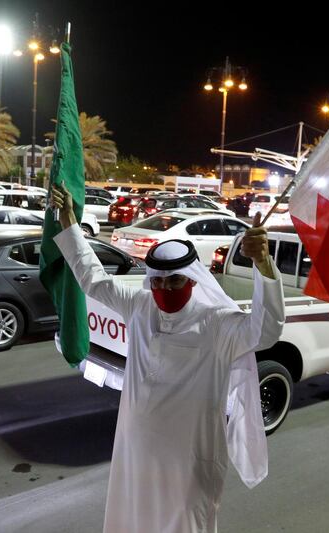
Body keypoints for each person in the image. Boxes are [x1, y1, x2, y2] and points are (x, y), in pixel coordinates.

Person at [51, 184, 285, 533]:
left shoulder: (217, 323)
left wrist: (263, 265)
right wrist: (69, 221)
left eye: (176, 281)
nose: (166, 290)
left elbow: (265, 331)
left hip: (189, 460)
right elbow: (92, 279)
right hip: (138, 450)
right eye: (158, 282)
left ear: (191, 279)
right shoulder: (140, 307)